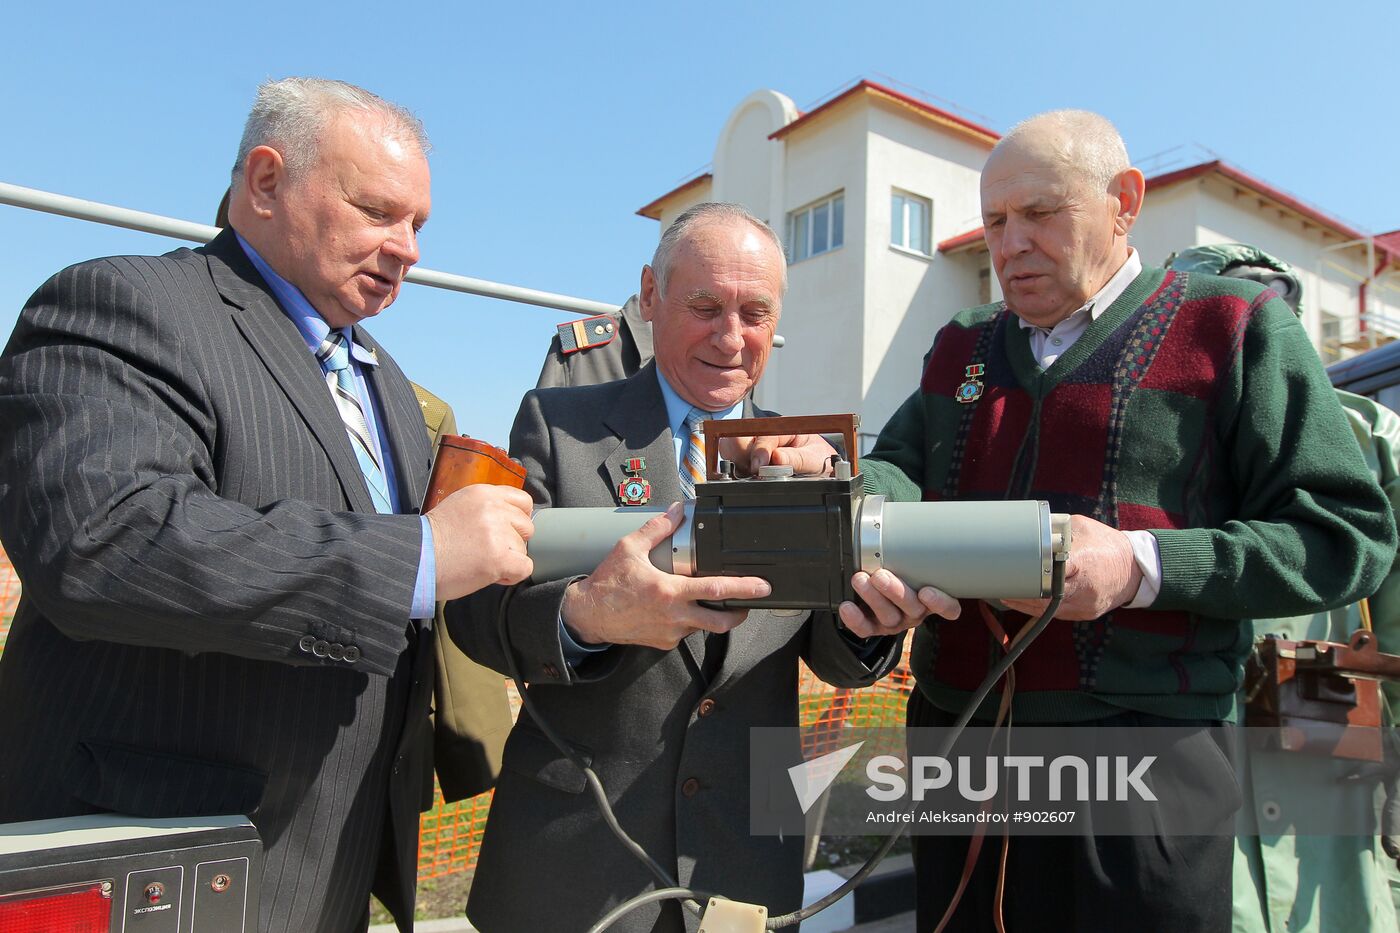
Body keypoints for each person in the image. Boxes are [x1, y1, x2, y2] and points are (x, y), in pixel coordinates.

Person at [0, 77, 536, 933]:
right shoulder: (118, 304)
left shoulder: (389, 385)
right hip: (161, 859)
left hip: (332, 867)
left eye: (419, 224)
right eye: (377, 211)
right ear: (265, 182)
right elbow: (102, 540)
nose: (407, 248)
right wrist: (421, 556)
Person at [855, 110, 1397, 931]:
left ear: (1125, 201)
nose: (1010, 245)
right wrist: (849, 493)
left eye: (1040, 213)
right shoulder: (959, 345)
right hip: (959, 743)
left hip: (1147, 754)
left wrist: (1140, 566)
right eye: (997, 222)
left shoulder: (1236, 326)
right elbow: (897, 466)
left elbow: (1345, 535)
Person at [452, 201, 959, 933]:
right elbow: (474, 614)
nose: (732, 337)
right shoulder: (557, 426)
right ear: (651, 296)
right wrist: (585, 615)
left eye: (755, 312)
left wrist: (869, 629)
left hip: (744, 870)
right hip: (574, 875)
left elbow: (831, 650)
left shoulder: (811, 463)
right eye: (704, 306)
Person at [1165, 243, 1400, 932]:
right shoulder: (1140, 431)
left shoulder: (1367, 436)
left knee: (1333, 900)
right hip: (1186, 739)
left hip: (1324, 706)